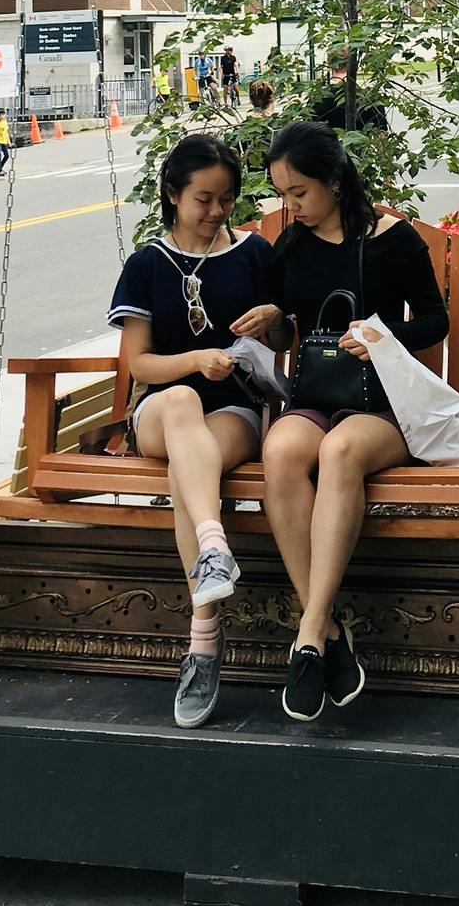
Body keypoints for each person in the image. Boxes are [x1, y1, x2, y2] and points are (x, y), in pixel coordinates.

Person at [230, 120, 448, 724]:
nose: (289, 205)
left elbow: (435, 320)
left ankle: (307, 636)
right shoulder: (290, 246)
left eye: (299, 192)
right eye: (281, 193)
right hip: (317, 395)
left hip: (384, 405)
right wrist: (274, 315)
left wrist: (382, 336)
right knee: (281, 450)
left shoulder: (393, 240)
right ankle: (325, 631)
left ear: (333, 179)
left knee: (340, 453)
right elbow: (280, 333)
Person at [108, 134, 278, 730]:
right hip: (163, 409)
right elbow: (141, 365)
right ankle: (213, 545)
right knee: (180, 402)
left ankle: (203, 637)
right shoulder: (149, 263)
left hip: (234, 412)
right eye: (203, 199)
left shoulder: (254, 255)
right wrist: (197, 360)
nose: (216, 211)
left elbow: (281, 345)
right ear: (172, 195)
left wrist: (273, 320)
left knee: (193, 467)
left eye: (227, 199)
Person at [308, 49, 388, 134]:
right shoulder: (371, 100)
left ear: (330, 66)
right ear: (355, 66)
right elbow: (382, 139)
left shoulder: (316, 99)